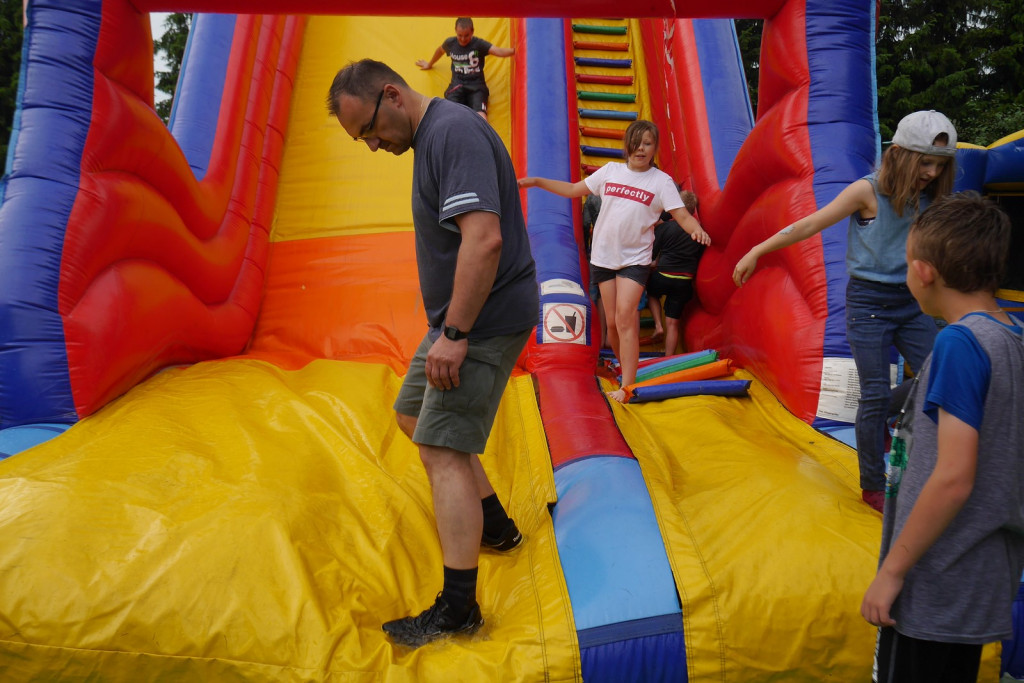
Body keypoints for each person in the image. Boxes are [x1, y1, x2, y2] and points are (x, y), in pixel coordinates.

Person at [326, 59, 538, 648]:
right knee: (412, 414)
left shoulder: (452, 132)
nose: (371, 145)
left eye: (369, 130)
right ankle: (496, 528)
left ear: (391, 94)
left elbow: (485, 237)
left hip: (481, 321)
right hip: (457, 319)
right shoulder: (435, 136)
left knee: (442, 448)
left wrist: (456, 333)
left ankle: (459, 609)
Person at [733, 110, 957, 513]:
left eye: (939, 165)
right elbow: (809, 224)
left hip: (911, 304)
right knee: (870, 392)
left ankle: (883, 413)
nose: (931, 172)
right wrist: (757, 250)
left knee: (941, 372)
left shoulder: (931, 199)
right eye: (925, 162)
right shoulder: (867, 191)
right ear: (902, 156)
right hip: (869, 305)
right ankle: (873, 482)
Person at [860, 193, 1024, 683]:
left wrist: (892, 572)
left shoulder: (959, 342)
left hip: (935, 580)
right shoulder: (1011, 338)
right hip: (976, 577)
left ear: (924, 271)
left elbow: (954, 476)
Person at [519, 120, 711, 403]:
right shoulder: (610, 172)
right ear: (627, 147)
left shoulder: (661, 181)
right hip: (603, 258)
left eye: (647, 143)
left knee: (625, 316)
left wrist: (697, 229)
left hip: (635, 260)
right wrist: (536, 182)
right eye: (636, 143)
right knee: (612, 324)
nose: (641, 149)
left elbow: (681, 214)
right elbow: (573, 190)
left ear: (654, 148)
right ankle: (624, 370)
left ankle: (629, 387)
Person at [416, 18, 515, 121]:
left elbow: (497, 51)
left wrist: (514, 51)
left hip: (476, 85)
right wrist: (429, 64)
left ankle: (479, 135)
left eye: (466, 35)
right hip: (457, 84)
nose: (463, 39)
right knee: (450, 113)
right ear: (455, 31)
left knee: (481, 116)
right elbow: (440, 51)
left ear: (472, 31)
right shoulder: (450, 43)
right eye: (460, 35)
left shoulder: (479, 44)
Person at [647, 189, 704, 355]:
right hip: (685, 280)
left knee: (651, 293)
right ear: (693, 210)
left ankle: (658, 324)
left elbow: (652, 255)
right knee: (673, 323)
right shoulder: (699, 231)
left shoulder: (666, 228)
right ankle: (669, 358)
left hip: (664, 274)